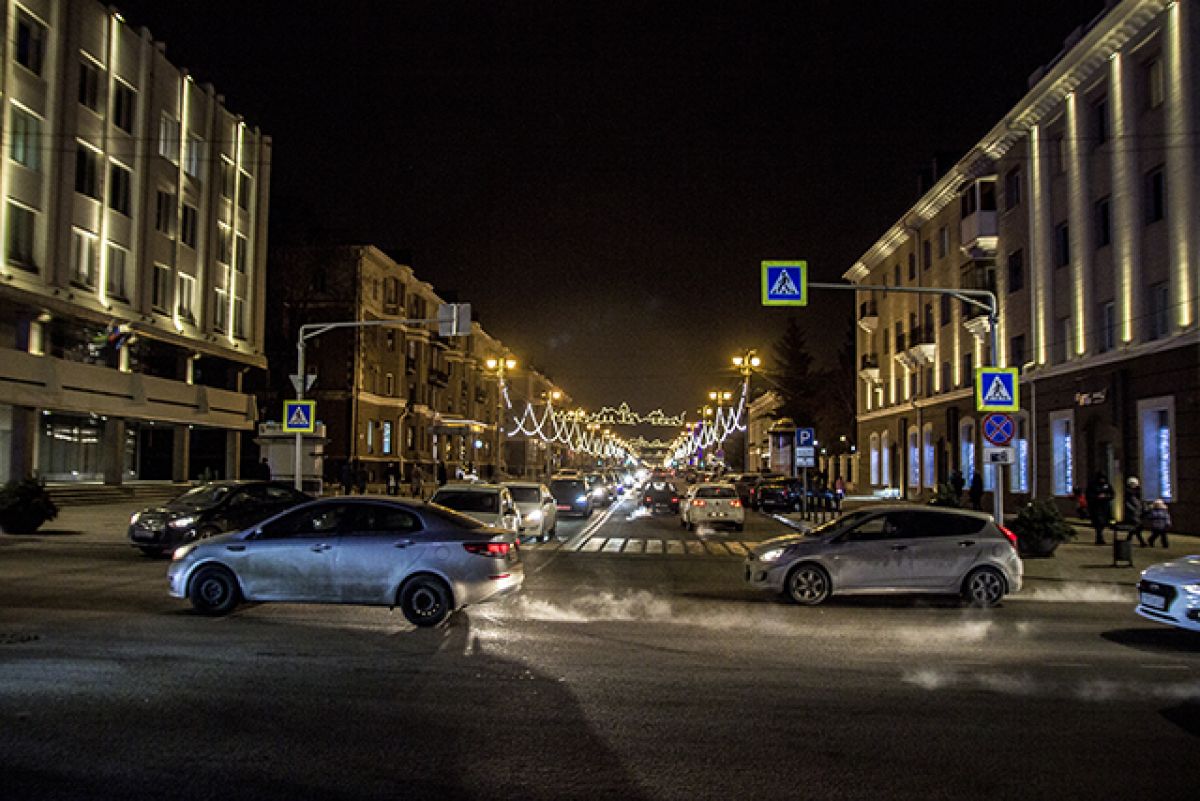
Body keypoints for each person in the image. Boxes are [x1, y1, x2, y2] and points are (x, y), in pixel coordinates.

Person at [1085, 471, 1113, 546]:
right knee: (1098, 522)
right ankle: (1099, 537)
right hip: (1096, 507)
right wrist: (1096, 497)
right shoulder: (1093, 485)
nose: (1102, 480)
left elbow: (1112, 494)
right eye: (1101, 478)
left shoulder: (1107, 485)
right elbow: (1088, 495)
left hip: (1105, 507)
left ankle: (1100, 536)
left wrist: (1106, 496)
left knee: (1103, 523)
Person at [1122, 476, 1146, 547]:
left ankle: (1128, 539)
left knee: (1135, 527)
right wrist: (1133, 509)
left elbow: (1141, 501)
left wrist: (1143, 508)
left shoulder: (1138, 492)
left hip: (1138, 511)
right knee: (1137, 526)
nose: (1134, 485)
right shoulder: (1128, 493)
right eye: (1132, 484)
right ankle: (1141, 542)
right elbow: (1127, 503)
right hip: (1133, 513)